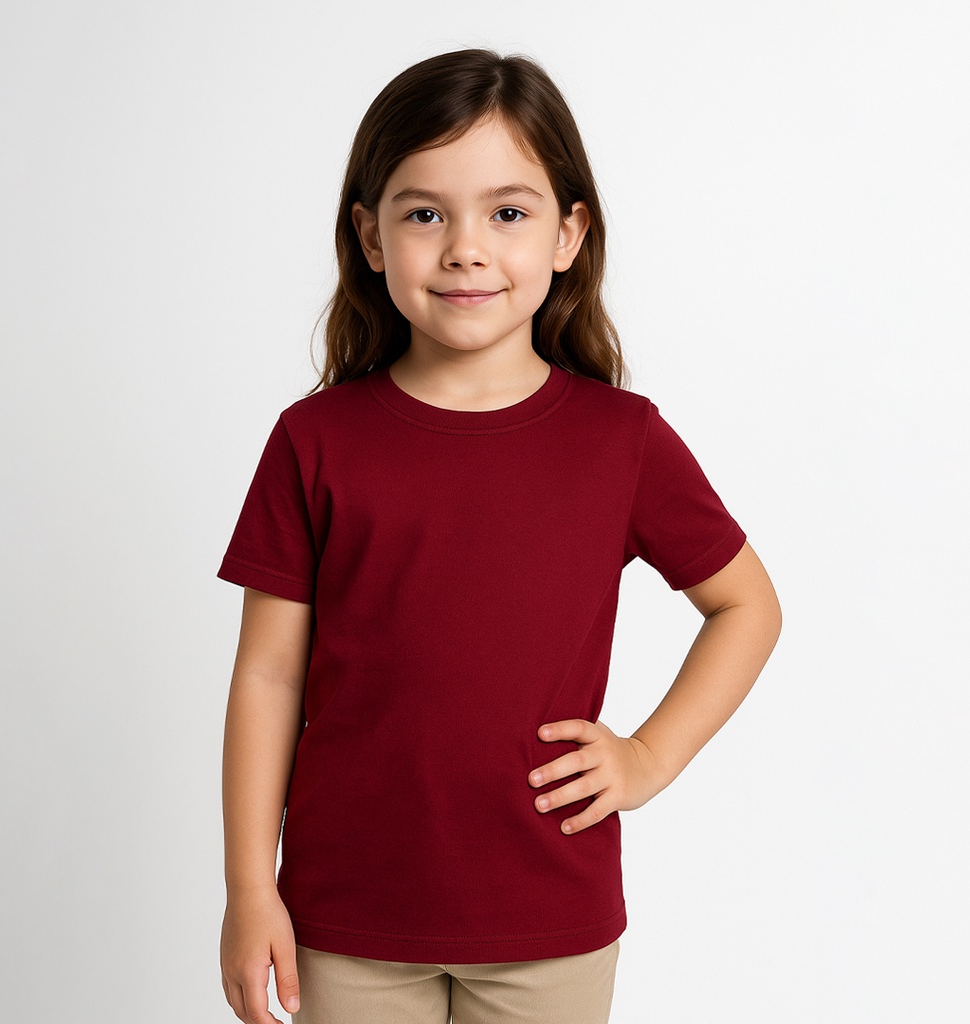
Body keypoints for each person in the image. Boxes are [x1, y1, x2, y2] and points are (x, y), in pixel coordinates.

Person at [217, 48, 782, 1024]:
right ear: (370, 235)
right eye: (424, 214)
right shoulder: (314, 441)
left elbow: (747, 605)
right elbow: (267, 675)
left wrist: (647, 758)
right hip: (345, 916)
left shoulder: (621, 441)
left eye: (507, 213)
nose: (465, 248)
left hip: (549, 914)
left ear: (568, 234)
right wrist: (246, 887)